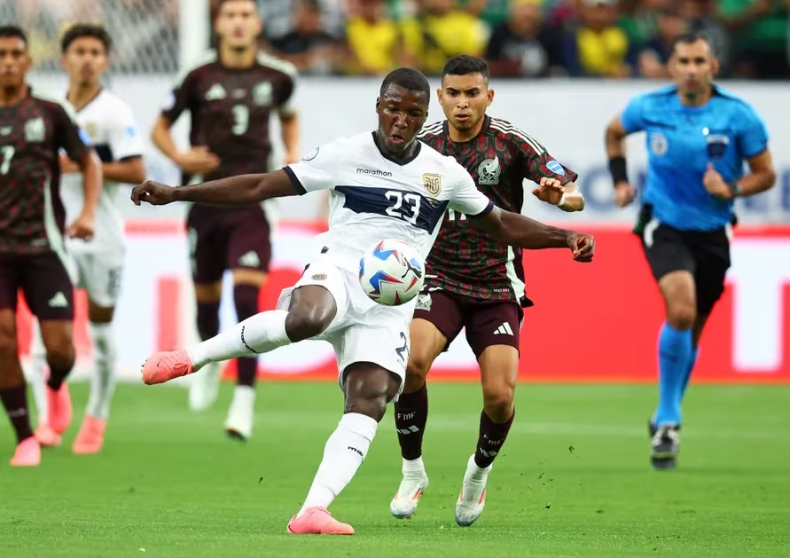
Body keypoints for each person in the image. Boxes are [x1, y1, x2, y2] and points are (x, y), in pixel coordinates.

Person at [131, 67, 595, 534]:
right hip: (339, 269)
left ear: (424, 116)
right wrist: (178, 193)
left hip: (392, 302)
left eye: (413, 113)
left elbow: (500, 223)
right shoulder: (345, 154)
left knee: (371, 396)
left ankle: (312, 510)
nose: (401, 121)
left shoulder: (444, 173)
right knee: (309, 317)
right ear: (378, 106)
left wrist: (564, 237)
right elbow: (259, 186)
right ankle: (191, 357)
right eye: (393, 109)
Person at [389, 54, 585, 527]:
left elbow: (572, 194)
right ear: (440, 98)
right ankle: (412, 470)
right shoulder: (422, 144)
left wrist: (561, 199)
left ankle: (477, 474)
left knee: (499, 396)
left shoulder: (510, 142)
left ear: (489, 96)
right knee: (411, 364)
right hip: (437, 276)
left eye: (472, 93)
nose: (462, 103)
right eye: (453, 94)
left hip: (497, 283)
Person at [605, 32, 775, 470]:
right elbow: (614, 132)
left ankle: (666, 413)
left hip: (714, 232)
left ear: (713, 66)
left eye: (700, 61)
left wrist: (732, 188)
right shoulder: (650, 106)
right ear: (672, 66)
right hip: (664, 224)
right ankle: (669, 419)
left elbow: (766, 174)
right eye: (684, 61)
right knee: (680, 311)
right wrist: (621, 181)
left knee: (692, 331)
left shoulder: (738, 115)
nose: (692, 69)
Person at [151, 0, 300, 440]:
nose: (238, 23)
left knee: (247, 297)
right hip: (204, 199)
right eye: (230, 15)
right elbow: (159, 127)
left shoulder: (279, 75)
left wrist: (292, 151)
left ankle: (245, 398)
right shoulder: (197, 74)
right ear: (218, 24)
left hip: (254, 200)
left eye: (245, 15)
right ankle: (210, 364)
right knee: (207, 302)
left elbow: (290, 116)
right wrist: (179, 156)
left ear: (257, 24)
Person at [27, 24, 146, 453]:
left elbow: (136, 170)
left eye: (96, 52)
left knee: (100, 332)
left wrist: (85, 164)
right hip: (55, 236)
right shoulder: (47, 110)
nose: (88, 59)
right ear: (64, 59)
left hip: (104, 235)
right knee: (44, 332)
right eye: (80, 51)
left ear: (106, 60)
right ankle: (48, 418)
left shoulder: (114, 112)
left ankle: (96, 416)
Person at [0, 25, 101, 466]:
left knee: (61, 350)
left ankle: (55, 384)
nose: (7, 62)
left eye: (15, 54)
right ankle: (24, 435)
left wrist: (87, 213)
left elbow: (88, 162)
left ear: (28, 61)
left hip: (45, 248)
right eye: (1, 54)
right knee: (3, 340)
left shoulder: (50, 113)